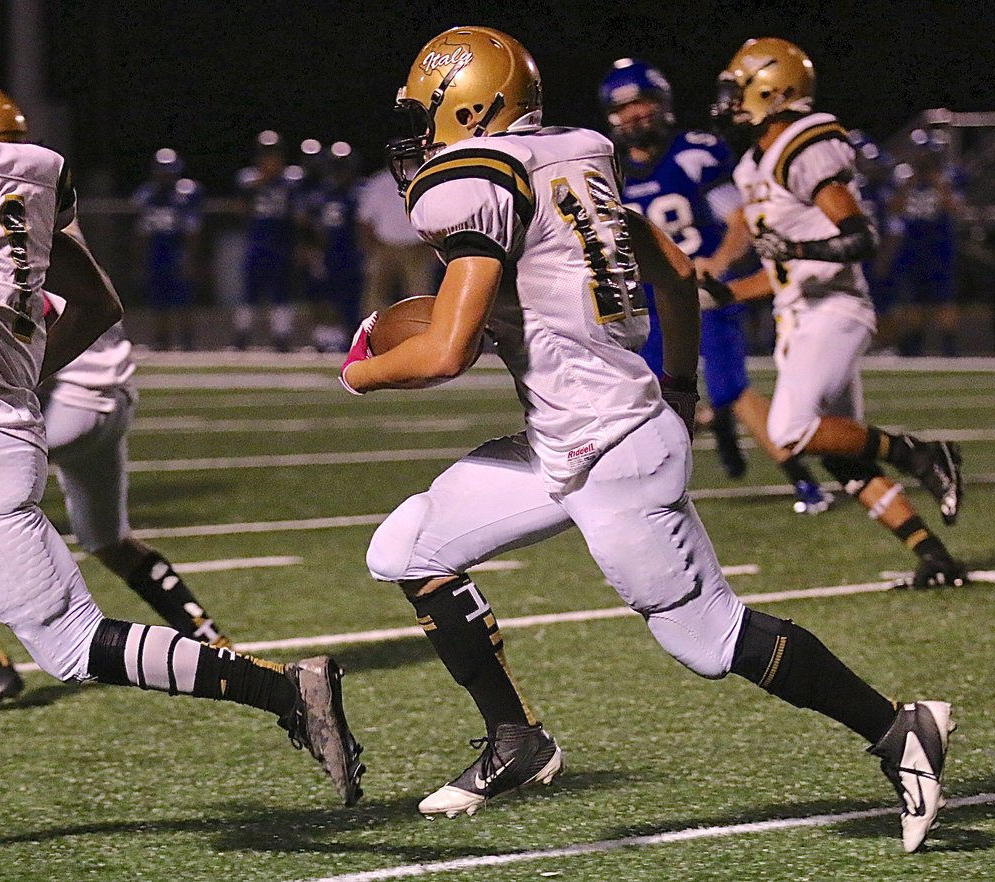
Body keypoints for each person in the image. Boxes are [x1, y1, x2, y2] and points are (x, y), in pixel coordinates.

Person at [341, 25, 951, 851]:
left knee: (708, 639)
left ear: (470, 103)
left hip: (615, 451)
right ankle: (517, 740)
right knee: (406, 549)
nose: (421, 129)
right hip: (569, 438)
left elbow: (447, 351)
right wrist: (683, 386)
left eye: (430, 110)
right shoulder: (569, 161)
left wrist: (360, 369)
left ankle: (898, 727)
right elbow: (670, 265)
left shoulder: (479, 181)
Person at [0, 10, 363, 828]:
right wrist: (14, 383)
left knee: (72, 647)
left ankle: (284, 689)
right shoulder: (32, 166)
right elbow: (96, 302)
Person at [0, 91, 231, 715]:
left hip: (66, 400)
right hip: (110, 396)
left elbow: (20, 318)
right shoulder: (36, 199)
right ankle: (211, 642)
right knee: (107, 537)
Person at [704, 38, 966, 590]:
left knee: (791, 430)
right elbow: (780, 276)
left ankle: (921, 453)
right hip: (800, 313)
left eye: (737, 89)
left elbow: (859, 237)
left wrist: (796, 253)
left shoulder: (803, 143)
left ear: (771, 90)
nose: (727, 102)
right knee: (840, 452)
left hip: (836, 309)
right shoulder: (756, 164)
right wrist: (718, 294)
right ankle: (933, 555)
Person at [598, 59, 830, 512]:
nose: (634, 115)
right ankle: (671, 471)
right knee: (650, 396)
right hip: (648, 301)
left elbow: (738, 219)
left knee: (730, 389)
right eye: (624, 107)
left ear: (662, 104)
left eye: (642, 102)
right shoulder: (608, 173)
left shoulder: (693, 152)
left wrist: (717, 263)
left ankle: (805, 483)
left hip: (703, 292)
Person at [884, 136, 964, 356]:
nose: (923, 158)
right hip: (912, 247)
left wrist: (939, 185)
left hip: (940, 247)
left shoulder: (948, 176)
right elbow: (892, 209)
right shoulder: (903, 177)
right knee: (914, 302)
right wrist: (907, 187)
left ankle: (949, 350)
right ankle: (914, 350)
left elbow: (956, 209)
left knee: (944, 300)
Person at [132, 147, 202, 350]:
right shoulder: (147, 195)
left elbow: (193, 230)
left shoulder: (185, 194)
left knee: (183, 298)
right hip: (156, 250)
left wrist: (190, 257)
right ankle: (162, 340)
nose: (165, 175)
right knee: (158, 299)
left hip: (177, 250)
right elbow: (140, 232)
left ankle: (187, 340)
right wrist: (140, 259)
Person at [234, 130, 298, 351]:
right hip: (257, 242)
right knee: (250, 292)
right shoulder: (248, 179)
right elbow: (242, 208)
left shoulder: (291, 179)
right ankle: (241, 336)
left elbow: (298, 214)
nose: (270, 159)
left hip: (282, 243)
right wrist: (262, 181)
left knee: (281, 293)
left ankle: (281, 338)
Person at [300, 141, 365, 352]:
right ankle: (326, 339)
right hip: (329, 253)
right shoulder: (321, 194)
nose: (341, 173)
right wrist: (312, 250)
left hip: (352, 253)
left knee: (352, 300)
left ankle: (351, 340)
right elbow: (309, 225)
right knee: (323, 297)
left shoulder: (360, 192)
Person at [356, 165, 437, 316]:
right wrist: (368, 248)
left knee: (420, 296)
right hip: (384, 246)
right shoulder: (379, 181)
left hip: (417, 248)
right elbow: (365, 219)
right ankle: (372, 335)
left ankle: (420, 333)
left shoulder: (424, 178)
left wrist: (433, 248)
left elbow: (437, 216)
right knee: (375, 296)